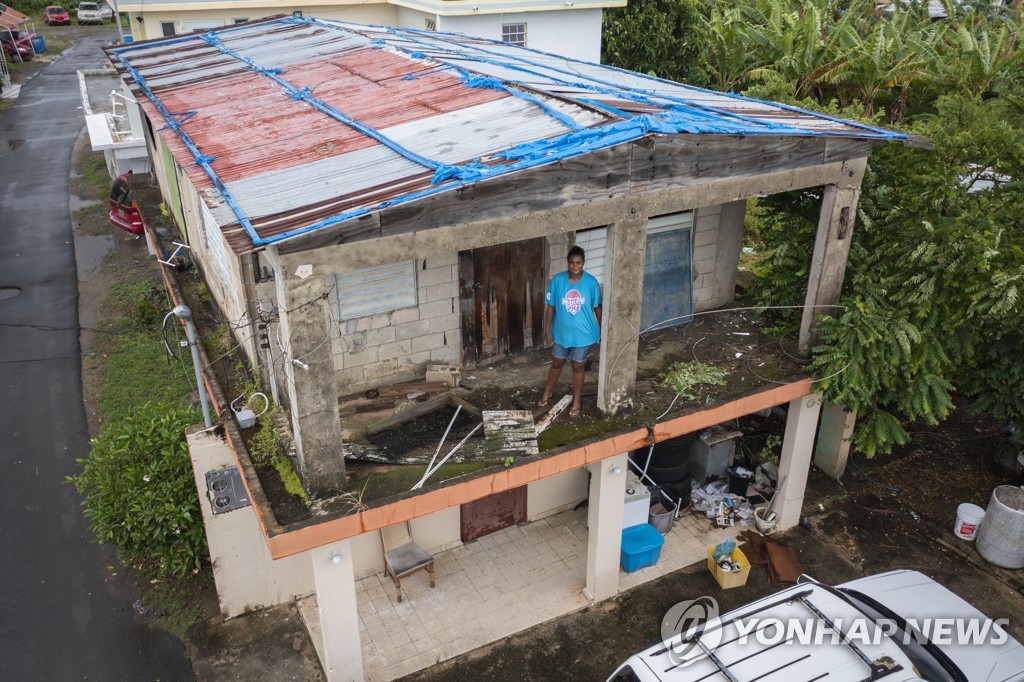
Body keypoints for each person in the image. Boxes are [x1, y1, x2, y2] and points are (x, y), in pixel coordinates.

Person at [538, 245, 602, 417]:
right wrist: (547, 331)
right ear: (568, 263)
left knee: (578, 366)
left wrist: (603, 329)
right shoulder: (557, 281)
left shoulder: (591, 282)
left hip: (583, 333)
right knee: (557, 363)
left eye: (579, 263)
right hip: (561, 332)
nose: (575, 266)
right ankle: (547, 392)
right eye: (572, 263)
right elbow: (550, 307)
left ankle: (577, 400)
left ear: (583, 263)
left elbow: (597, 307)